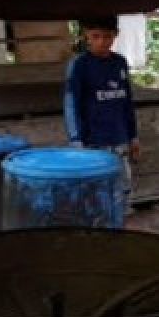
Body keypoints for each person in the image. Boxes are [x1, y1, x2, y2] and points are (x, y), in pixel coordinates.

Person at [63, 16, 141, 202]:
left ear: (115, 35)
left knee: (122, 191)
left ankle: (119, 226)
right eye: (95, 36)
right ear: (86, 36)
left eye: (107, 36)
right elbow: (71, 103)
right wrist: (75, 140)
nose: (101, 42)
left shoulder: (120, 63)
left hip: (120, 140)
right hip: (92, 143)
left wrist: (133, 136)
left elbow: (127, 102)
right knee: (95, 194)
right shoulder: (79, 65)